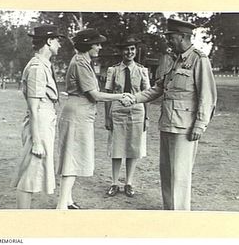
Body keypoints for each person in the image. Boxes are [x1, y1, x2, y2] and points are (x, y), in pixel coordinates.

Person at [129, 18, 217, 210]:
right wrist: (134, 98)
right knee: (167, 172)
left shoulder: (199, 60)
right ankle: (169, 210)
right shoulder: (174, 61)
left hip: (185, 128)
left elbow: (207, 96)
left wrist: (200, 125)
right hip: (168, 123)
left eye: (172, 37)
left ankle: (180, 215)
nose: (169, 41)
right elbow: (158, 88)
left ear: (184, 37)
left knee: (180, 174)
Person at [55, 28, 134, 210]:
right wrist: (120, 96)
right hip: (77, 114)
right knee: (71, 159)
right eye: (96, 44)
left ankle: (67, 200)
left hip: (80, 113)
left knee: (73, 157)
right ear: (87, 45)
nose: (99, 47)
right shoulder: (81, 63)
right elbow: (94, 95)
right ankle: (61, 206)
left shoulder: (82, 61)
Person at [11, 25, 64, 208]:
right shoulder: (36, 68)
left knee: (34, 174)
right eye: (58, 40)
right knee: (29, 175)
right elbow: (34, 107)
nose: (60, 45)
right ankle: (22, 222)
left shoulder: (43, 66)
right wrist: (36, 141)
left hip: (45, 120)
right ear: (49, 41)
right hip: (39, 122)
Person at [104, 36, 150, 197]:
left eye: (132, 49)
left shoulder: (142, 70)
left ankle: (129, 183)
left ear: (136, 51)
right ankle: (114, 183)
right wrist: (107, 117)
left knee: (133, 147)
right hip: (117, 110)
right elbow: (108, 94)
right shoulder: (114, 70)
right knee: (117, 148)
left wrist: (146, 118)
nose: (129, 52)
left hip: (137, 111)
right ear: (121, 51)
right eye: (126, 49)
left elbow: (147, 95)